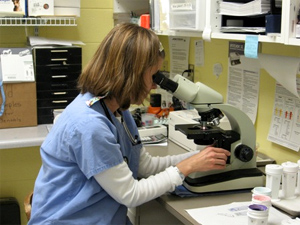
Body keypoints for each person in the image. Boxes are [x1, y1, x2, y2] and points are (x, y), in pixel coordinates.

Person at [29, 23, 230, 225]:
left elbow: (144, 166)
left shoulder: (117, 110)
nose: (154, 85)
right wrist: (184, 169)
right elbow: (130, 194)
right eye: (153, 76)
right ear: (130, 73)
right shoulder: (90, 124)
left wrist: (199, 157)